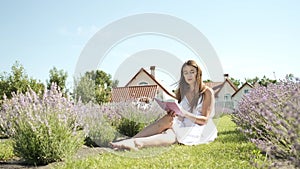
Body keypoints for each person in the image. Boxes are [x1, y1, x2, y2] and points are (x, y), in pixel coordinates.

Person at [110, 60, 218, 150]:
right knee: (167, 119)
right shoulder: (182, 91)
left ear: (198, 74)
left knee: (171, 135)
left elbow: (204, 120)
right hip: (183, 123)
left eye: (191, 72)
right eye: (185, 73)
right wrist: (174, 112)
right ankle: (132, 141)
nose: (188, 75)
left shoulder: (206, 92)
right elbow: (181, 114)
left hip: (198, 127)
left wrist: (184, 113)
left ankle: (135, 143)